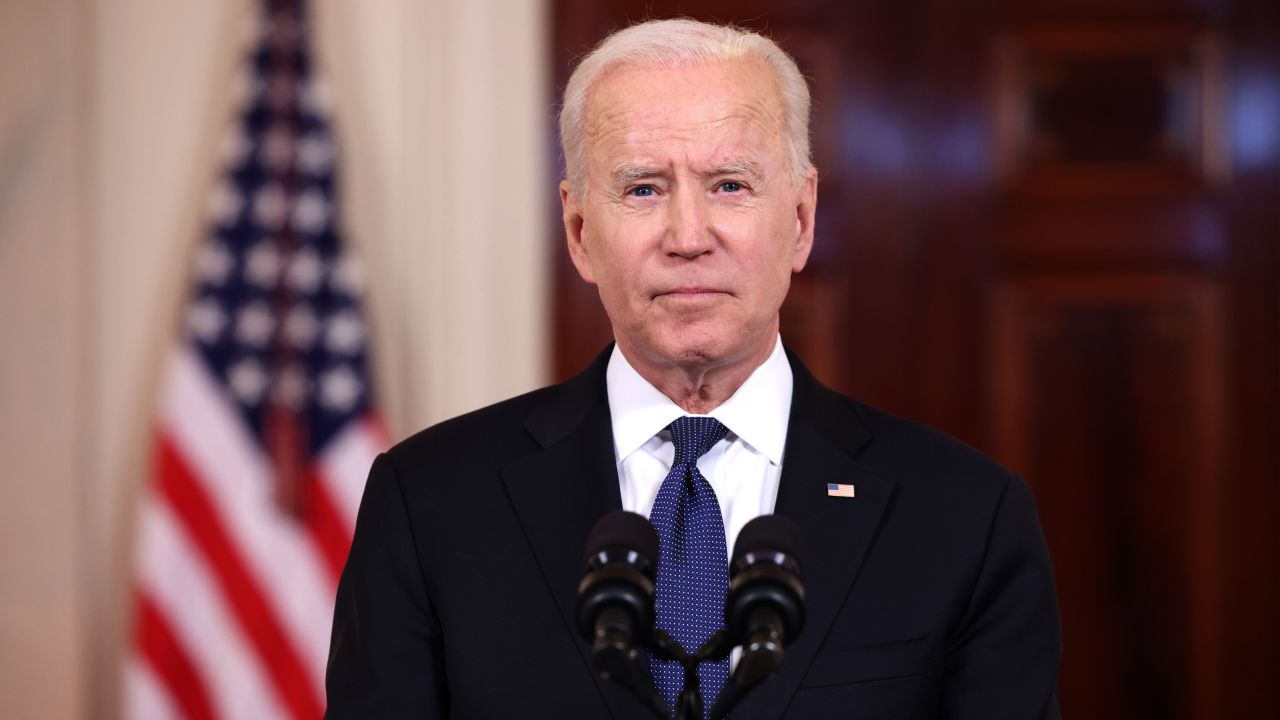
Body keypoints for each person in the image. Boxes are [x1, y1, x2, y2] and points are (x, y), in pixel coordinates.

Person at [326, 18, 1061, 719]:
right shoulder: (430, 503)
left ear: (800, 220)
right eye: (643, 188)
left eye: (730, 186)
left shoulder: (966, 516)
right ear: (580, 231)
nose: (688, 236)